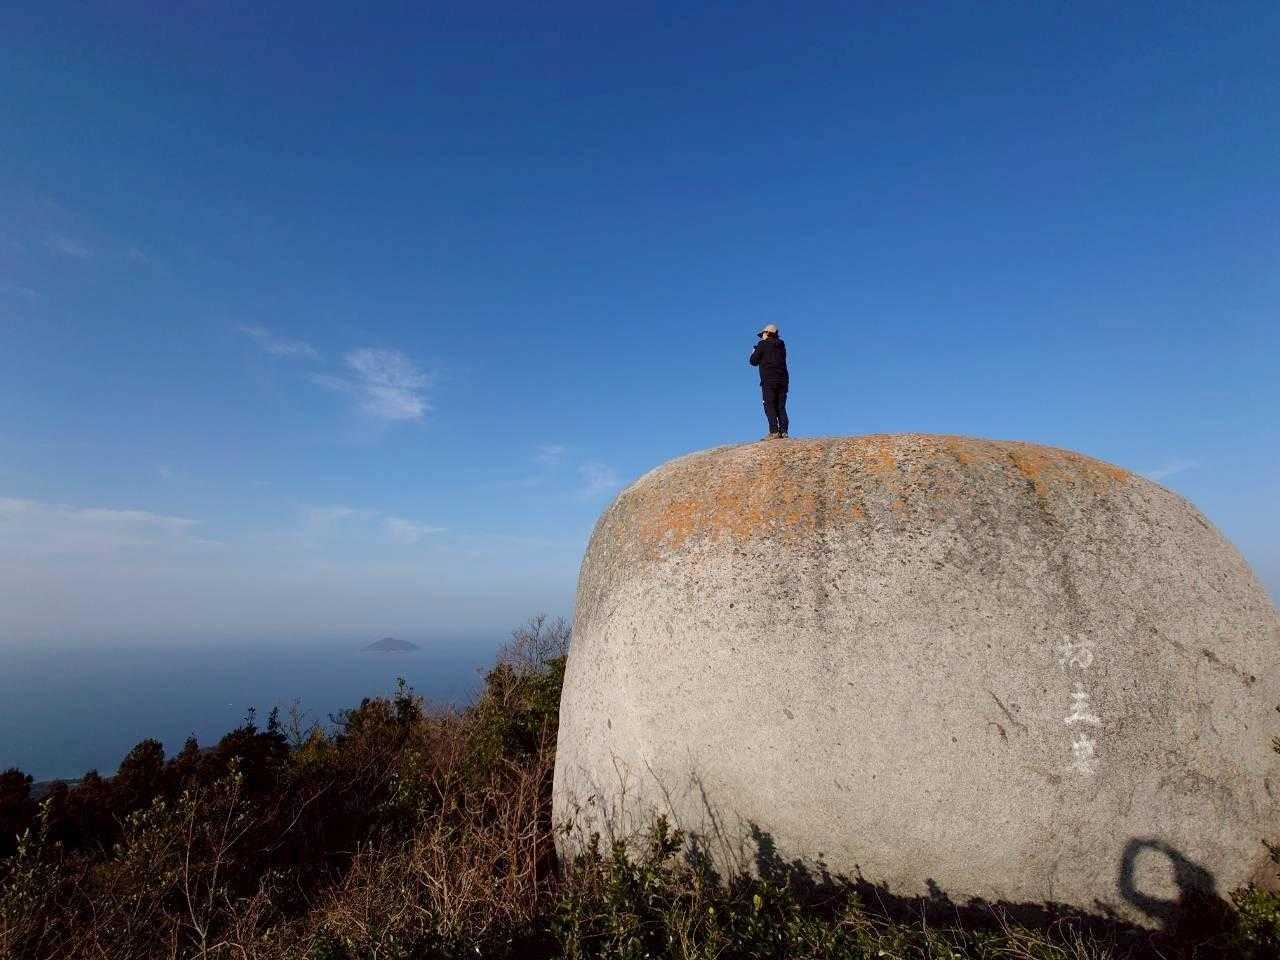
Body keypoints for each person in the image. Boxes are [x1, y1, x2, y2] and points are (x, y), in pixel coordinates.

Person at [749, 323, 789, 439]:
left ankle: (774, 431)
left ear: (767, 333)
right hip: (783, 380)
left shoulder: (762, 344)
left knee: (769, 405)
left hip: (769, 380)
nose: (761, 336)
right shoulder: (781, 346)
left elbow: (753, 361)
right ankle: (784, 431)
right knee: (780, 406)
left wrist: (754, 352)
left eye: (762, 334)